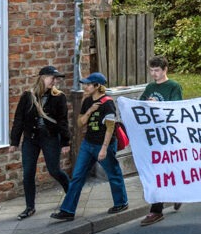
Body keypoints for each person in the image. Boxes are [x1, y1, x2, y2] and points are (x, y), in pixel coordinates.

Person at [51, 72, 129, 221]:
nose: (85, 86)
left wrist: (104, 149)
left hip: (103, 145)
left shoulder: (108, 103)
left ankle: (121, 202)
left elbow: (110, 128)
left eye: (88, 84)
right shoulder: (87, 102)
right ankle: (68, 210)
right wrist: (90, 111)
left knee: (113, 174)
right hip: (88, 144)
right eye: (84, 84)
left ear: (97, 86)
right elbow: (80, 123)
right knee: (77, 176)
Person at [10, 66, 71, 220]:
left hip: (50, 137)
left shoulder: (59, 97)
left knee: (54, 170)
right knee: (28, 173)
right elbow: (19, 119)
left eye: (56, 78)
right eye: (52, 77)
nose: (55, 81)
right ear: (42, 77)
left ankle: (71, 195)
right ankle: (30, 207)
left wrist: (65, 141)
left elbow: (63, 121)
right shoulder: (28, 96)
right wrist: (14, 141)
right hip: (30, 139)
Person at [138, 56, 185, 227]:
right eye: (151, 70)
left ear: (165, 70)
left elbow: (177, 108)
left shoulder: (173, 86)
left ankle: (156, 210)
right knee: (158, 170)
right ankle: (176, 194)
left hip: (168, 135)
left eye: (157, 70)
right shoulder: (150, 87)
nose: (154, 74)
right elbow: (140, 104)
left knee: (162, 169)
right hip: (153, 135)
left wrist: (158, 105)